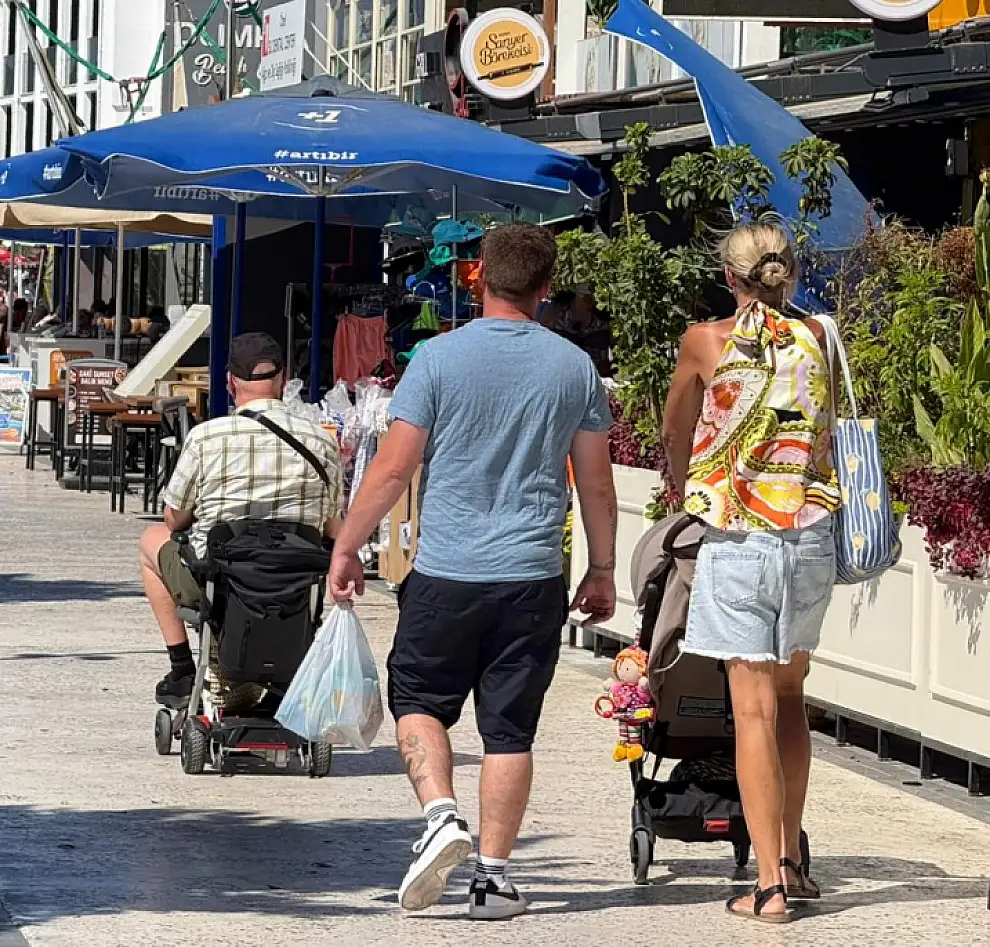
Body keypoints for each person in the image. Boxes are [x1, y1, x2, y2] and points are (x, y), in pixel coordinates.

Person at [329, 223, 618, 921]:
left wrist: (346, 545)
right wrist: (602, 567)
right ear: (547, 288)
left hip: (448, 571)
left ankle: (439, 814)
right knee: (509, 730)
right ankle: (493, 878)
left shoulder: (436, 359)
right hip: (532, 577)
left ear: (477, 276)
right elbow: (596, 481)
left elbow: (394, 466)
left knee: (418, 700)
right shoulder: (573, 367)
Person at [660, 221, 837, 924]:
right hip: (811, 535)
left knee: (753, 709)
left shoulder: (706, 341)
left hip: (741, 537)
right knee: (792, 697)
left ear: (728, 277)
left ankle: (765, 885)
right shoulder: (820, 336)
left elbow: (676, 427)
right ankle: (792, 859)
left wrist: (684, 484)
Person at [139, 333, 343, 705]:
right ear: (284, 379)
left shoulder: (205, 438)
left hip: (221, 582)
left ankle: (183, 669)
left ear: (231, 382)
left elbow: (174, 519)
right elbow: (333, 526)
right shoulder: (321, 441)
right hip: (293, 583)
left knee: (151, 541)